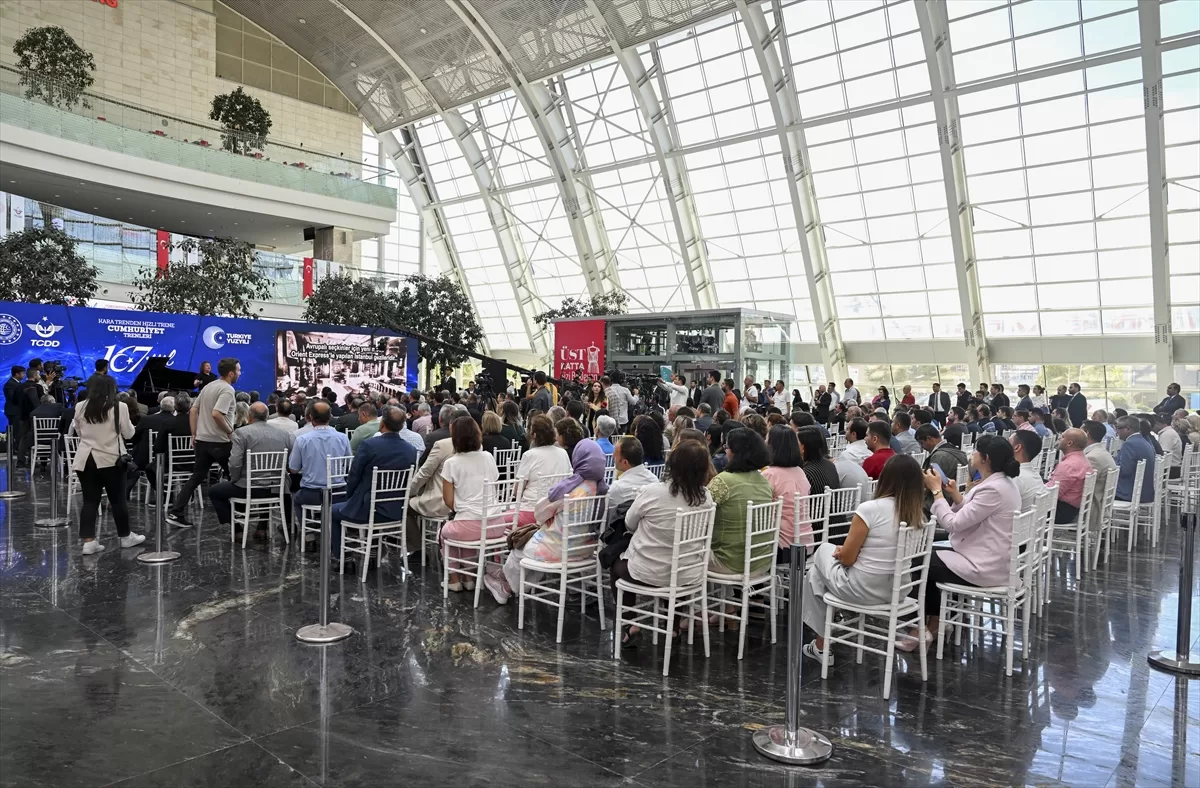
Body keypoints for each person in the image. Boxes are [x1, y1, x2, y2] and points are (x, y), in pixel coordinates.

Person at [802, 454, 926, 664]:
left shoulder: (870, 509)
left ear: (885, 477)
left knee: (821, 552)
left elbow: (847, 560)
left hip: (862, 589)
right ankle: (821, 645)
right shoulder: (917, 515)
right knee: (816, 572)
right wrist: (848, 552)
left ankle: (822, 644)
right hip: (898, 590)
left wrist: (843, 552)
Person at [905, 434, 1020, 650]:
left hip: (984, 565)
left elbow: (953, 524)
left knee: (918, 560)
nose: (972, 454)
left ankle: (918, 627)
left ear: (985, 458)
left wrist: (936, 492)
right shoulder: (1003, 483)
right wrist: (955, 496)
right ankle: (935, 621)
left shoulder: (993, 489)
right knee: (926, 552)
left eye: (976, 451)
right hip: (988, 554)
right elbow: (972, 513)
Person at [487, 421, 607, 604]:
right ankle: (508, 581)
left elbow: (539, 514)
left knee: (520, 547)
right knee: (532, 545)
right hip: (585, 549)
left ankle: (507, 587)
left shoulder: (570, 490)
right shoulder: (602, 490)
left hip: (558, 548)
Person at [611, 440, 714, 647]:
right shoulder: (706, 497)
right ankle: (673, 627)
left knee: (615, 564)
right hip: (688, 572)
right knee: (676, 564)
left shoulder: (653, 492)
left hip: (649, 572)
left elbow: (629, 524)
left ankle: (630, 624)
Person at [330, 406, 418, 573]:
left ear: (382, 423)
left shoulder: (369, 445)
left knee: (331, 511)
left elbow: (354, 475)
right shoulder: (411, 450)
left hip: (367, 508)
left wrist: (350, 499)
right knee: (371, 501)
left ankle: (344, 559)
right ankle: (371, 553)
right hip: (396, 510)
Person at [71, 374, 145, 554]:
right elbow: (129, 434)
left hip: (85, 459)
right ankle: (125, 537)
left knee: (90, 501)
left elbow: (79, 431)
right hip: (111, 459)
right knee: (118, 500)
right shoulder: (119, 407)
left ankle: (89, 542)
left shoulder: (80, 406)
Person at [166, 358, 239, 529]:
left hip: (202, 441)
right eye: (238, 370)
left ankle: (176, 512)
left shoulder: (208, 386)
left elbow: (193, 410)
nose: (239, 373)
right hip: (220, 441)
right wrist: (230, 431)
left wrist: (194, 433)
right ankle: (237, 514)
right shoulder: (227, 389)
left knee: (196, 477)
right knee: (236, 477)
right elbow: (217, 414)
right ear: (231, 373)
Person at [208, 403, 295, 538]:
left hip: (248, 486)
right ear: (267, 416)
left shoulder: (242, 433)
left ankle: (236, 528)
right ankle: (261, 528)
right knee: (267, 488)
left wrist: (235, 479)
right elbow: (291, 461)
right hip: (276, 487)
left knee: (214, 491)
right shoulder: (284, 434)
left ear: (249, 416)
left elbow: (235, 463)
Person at [437, 416, 500, 591]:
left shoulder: (452, 463)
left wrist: (461, 509)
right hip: (496, 524)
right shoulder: (488, 457)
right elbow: (494, 483)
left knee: (444, 533)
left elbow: (448, 500)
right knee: (465, 530)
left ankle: (454, 578)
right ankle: (468, 577)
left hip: (469, 525)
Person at [707, 428, 774, 575]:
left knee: (686, 548)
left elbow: (700, 512)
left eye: (727, 447)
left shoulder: (723, 481)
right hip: (762, 561)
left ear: (735, 452)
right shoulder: (765, 481)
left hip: (730, 562)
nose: (725, 451)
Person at [287, 401, 352, 526]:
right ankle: (334, 528)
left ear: (311, 417)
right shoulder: (342, 438)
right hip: (338, 492)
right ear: (330, 417)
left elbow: (293, 469)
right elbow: (348, 463)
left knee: (297, 500)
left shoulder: (302, 440)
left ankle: (308, 529)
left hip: (312, 493)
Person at [762, 425, 812, 555]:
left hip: (783, 546)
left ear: (772, 445)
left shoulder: (770, 475)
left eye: (767, 439)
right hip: (807, 542)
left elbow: (761, 512)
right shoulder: (800, 471)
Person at [605, 436, 660, 522]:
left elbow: (607, 517)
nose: (613, 456)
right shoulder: (654, 480)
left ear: (625, 462)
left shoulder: (618, 487)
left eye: (615, 454)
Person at [916, 423, 967, 512]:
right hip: (958, 497)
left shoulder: (939, 456)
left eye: (921, 443)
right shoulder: (958, 451)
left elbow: (929, 483)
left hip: (942, 500)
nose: (922, 447)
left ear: (929, 439)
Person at [1047, 428, 1092, 523]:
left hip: (1060, 511)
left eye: (1062, 437)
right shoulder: (1083, 460)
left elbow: (1052, 494)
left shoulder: (1068, 465)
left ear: (1069, 443)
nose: (1059, 438)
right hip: (1072, 509)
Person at [1082, 420, 1118, 531]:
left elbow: (1081, 486)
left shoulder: (1093, 457)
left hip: (1091, 509)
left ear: (1087, 434)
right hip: (1098, 503)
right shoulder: (1101, 452)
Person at [1114, 415, 1156, 503]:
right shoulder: (1144, 441)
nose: (1116, 431)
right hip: (1144, 492)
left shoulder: (1129, 444)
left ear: (1128, 429)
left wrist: (1112, 466)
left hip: (1130, 493)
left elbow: (1124, 471)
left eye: (1118, 428)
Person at [798, 425, 842, 495]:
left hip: (813, 502)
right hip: (835, 502)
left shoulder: (806, 473)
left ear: (803, 448)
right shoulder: (830, 464)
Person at [1008, 430, 1045, 512]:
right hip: (1030, 519)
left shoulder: (1016, 477)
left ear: (1017, 448)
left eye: (1008, 442)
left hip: (1015, 519)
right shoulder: (1035, 475)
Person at [1153, 412, 1183, 479]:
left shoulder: (1167, 435)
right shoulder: (1169, 432)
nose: (1152, 430)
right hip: (1173, 468)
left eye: (1152, 426)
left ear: (1157, 424)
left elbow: (1164, 454)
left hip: (1171, 470)